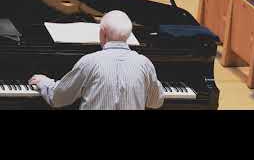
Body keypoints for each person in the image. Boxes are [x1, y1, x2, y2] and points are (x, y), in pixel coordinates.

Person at [29, 10, 165, 110]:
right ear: (129, 35)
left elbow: (58, 98)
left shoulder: (89, 62)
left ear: (102, 33)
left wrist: (44, 81)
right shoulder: (144, 64)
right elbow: (156, 102)